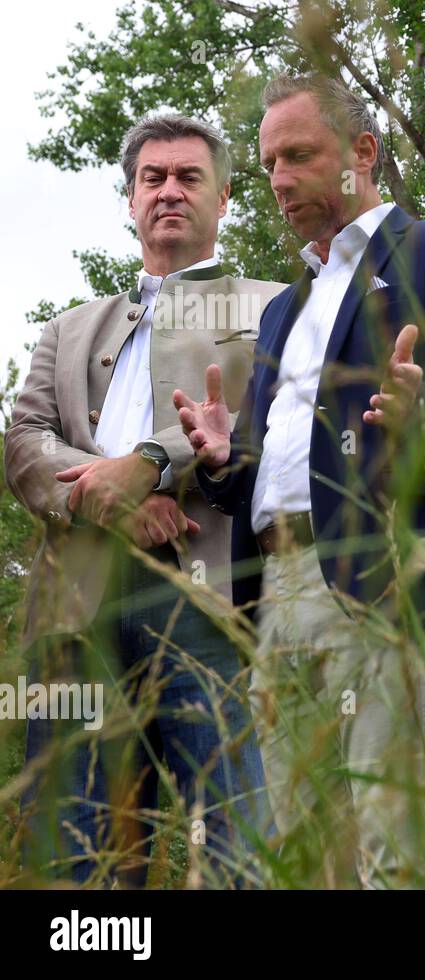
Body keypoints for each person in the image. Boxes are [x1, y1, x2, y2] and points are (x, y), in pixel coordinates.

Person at [174, 74, 425, 888]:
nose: (280, 179)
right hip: (276, 592)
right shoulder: (281, 310)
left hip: (389, 580)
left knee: (397, 849)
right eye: (268, 164)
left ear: (361, 153)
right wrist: (230, 462)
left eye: (299, 155)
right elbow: (288, 467)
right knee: (294, 855)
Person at [4, 114, 283, 887]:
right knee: (74, 858)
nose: (169, 192)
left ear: (224, 197)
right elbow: (24, 440)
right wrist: (109, 499)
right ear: (129, 200)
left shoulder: (272, 308)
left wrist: (153, 464)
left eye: (189, 177)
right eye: (152, 179)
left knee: (235, 846)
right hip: (77, 620)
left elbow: (264, 424)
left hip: (209, 609)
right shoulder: (68, 328)